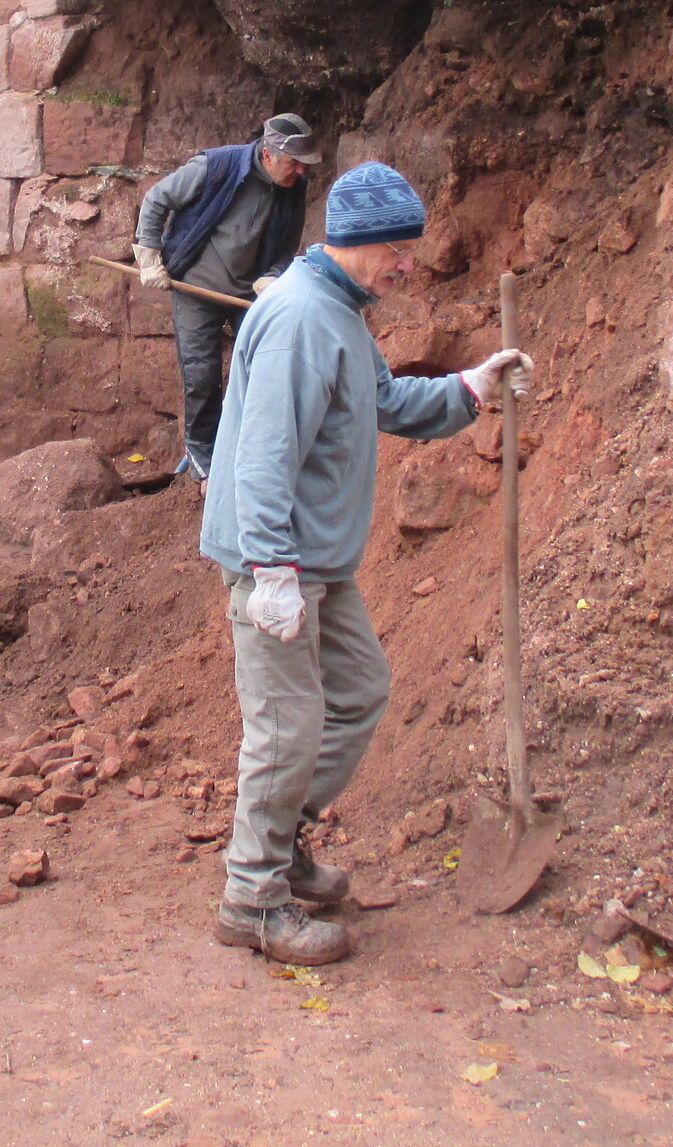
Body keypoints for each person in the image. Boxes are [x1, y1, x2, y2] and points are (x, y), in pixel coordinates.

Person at [198, 161, 533, 966]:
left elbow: (382, 402)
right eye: (399, 250)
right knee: (286, 727)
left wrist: (471, 388)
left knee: (357, 692)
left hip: (317, 559)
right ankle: (252, 900)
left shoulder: (340, 310)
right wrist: (271, 569)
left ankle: (280, 841)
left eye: (410, 249)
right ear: (356, 239)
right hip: (277, 560)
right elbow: (263, 456)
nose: (409, 265)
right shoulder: (300, 320)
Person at [133, 112, 322, 480]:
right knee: (201, 376)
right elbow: (157, 199)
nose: (301, 171)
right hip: (195, 287)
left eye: (304, 163)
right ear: (268, 155)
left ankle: (250, 450)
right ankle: (203, 455)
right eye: (295, 162)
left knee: (262, 369)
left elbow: (287, 245)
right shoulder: (215, 167)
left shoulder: (294, 187)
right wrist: (149, 255)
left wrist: (272, 276)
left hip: (247, 294)